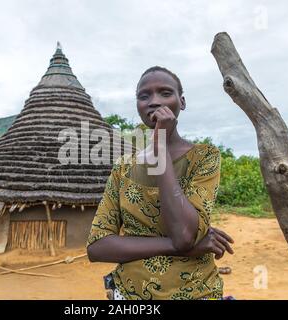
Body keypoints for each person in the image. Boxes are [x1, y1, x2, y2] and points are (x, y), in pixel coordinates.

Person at [86, 66, 234, 300]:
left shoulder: (204, 157)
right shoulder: (124, 166)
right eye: (144, 96)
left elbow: (184, 233)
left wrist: (160, 148)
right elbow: (97, 246)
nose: (154, 101)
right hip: (129, 295)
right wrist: (182, 246)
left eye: (165, 93)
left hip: (197, 292)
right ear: (138, 106)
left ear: (182, 102)